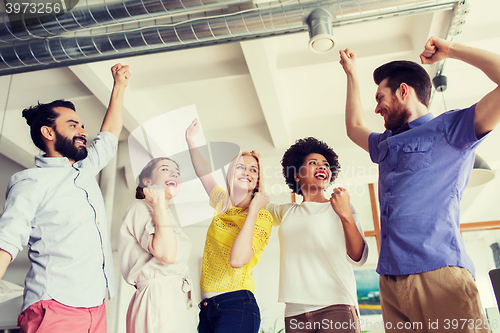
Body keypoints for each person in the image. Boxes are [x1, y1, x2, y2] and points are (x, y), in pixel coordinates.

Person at [340, 36, 500, 332]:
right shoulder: (385, 143)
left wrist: (451, 51)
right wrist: (352, 74)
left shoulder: (452, 129)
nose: (377, 109)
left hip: (437, 273)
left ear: (403, 91)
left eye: (379, 98)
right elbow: (353, 128)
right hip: (390, 281)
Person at [0, 64, 130, 333]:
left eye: (82, 125)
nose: (82, 130)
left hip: (96, 306)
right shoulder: (29, 182)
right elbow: (6, 242)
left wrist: (119, 87)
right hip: (54, 306)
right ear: (48, 133)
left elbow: (108, 136)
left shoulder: (84, 171)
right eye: (72, 125)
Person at [266, 137, 368, 333]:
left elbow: (358, 257)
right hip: (295, 311)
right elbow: (256, 202)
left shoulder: (342, 207)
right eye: (313, 163)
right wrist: (255, 168)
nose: (322, 167)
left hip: (336, 306)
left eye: (326, 165)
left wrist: (346, 214)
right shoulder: (286, 211)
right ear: (297, 175)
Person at [185, 118, 272, 333]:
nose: (247, 172)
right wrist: (190, 140)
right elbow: (203, 172)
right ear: (230, 174)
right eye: (241, 167)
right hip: (207, 309)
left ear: (258, 179)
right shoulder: (221, 202)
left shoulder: (261, 217)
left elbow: (237, 260)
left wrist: (252, 211)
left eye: (254, 170)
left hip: (237, 306)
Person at [118, 157, 195, 333]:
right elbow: (167, 254)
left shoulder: (165, 213)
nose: (174, 173)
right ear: (147, 181)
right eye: (166, 169)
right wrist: (158, 201)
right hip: (157, 298)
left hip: (176, 299)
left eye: (177, 172)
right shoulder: (140, 207)